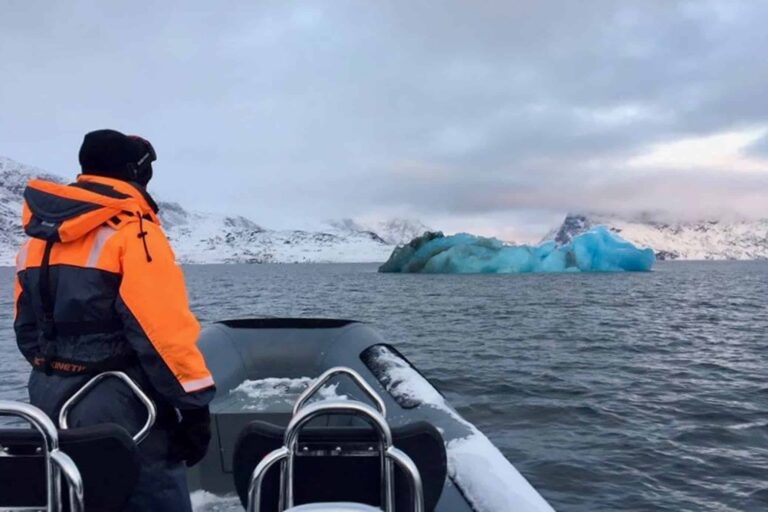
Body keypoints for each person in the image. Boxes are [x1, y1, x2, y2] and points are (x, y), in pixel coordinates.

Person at [13, 129, 215, 511]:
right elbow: (161, 331)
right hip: (122, 400)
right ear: (132, 172)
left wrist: (62, 369)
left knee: (73, 496)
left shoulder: (37, 240)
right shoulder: (134, 232)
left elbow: (26, 328)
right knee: (152, 493)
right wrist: (194, 408)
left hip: (48, 393)